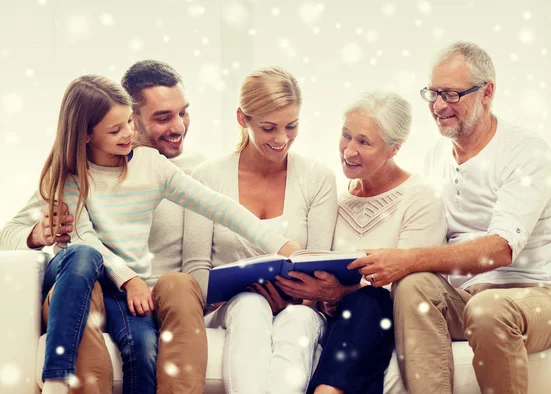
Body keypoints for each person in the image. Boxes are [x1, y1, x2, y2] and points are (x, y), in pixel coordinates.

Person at [15, 74, 301, 394]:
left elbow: (218, 206)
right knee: (86, 265)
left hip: (138, 295)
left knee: (170, 301)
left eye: (182, 113)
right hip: (91, 285)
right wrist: (38, 234)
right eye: (117, 128)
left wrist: (280, 243)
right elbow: (74, 238)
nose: (128, 134)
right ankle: (66, 379)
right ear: (87, 135)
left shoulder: (155, 166)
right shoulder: (68, 174)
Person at [347, 41, 551, 394]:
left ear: (487, 92)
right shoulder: (436, 156)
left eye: (452, 95)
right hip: (472, 296)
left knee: (487, 309)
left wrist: (407, 260)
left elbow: (501, 250)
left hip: (546, 294)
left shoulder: (526, 152)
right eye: (433, 93)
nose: (439, 106)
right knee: (413, 286)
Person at [0, 60, 213, 394]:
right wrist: (37, 234)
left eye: (183, 113)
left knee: (180, 285)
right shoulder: (79, 172)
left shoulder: (194, 172)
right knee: (84, 285)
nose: (178, 127)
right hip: (98, 288)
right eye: (162, 117)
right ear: (132, 116)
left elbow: (210, 247)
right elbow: (7, 236)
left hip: (157, 297)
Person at [275, 91, 447, 394]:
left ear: (394, 149)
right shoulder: (334, 200)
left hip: (383, 319)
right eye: (346, 136)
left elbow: (408, 290)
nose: (349, 151)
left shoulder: (420, 197)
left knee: (369, 300)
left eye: (364, 142)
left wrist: (341, 291)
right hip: (339, 325)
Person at [182, 66, 337, 394]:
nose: (282, 139)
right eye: (269, 128)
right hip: (227, 308)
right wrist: (242, 290)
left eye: (291, 126)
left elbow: (319, 263)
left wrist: (299, 302)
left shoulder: (317, 178)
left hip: (300, 307)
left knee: (296, 322)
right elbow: (195, 272)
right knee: (252, 306)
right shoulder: (207, 177)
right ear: (243, 119)